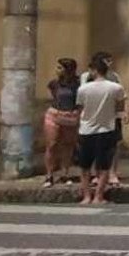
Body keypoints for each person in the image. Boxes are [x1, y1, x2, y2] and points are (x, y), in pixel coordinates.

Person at [75, 57, 126, 205]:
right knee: (104, 167)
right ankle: (99, 196)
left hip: (86, 130)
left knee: (84, 167)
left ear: (95, 71)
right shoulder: (116, 88)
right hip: (107, 129)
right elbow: (120, 108)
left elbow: (80, 108)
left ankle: (86, 197)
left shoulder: (83, 89)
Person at [43, 58, 80, 187]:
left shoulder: (77, 84)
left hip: (71, 115)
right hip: (54, 114)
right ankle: (49, 175)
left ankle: (66, 173)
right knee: (52, 144)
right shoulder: (54, 83)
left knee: (68, 145)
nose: (56, 70)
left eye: (60, 68)